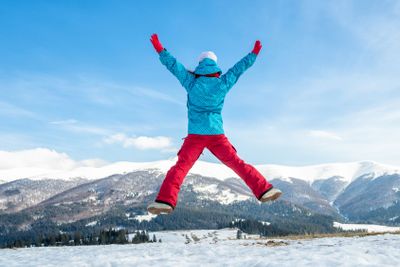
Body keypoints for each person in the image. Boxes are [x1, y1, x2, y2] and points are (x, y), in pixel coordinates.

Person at [147, 34, 282, 214]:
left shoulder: (191, 82)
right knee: (237, 163)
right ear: (215, 65)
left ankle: (165, 200)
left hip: (195, 135)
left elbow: (174, 66)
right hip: (216, 134)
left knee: (180, 167)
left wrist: (159, 49)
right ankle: (264, 189)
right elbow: (238, 69)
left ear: (200, 64)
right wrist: (253, 54)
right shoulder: (222, 83)